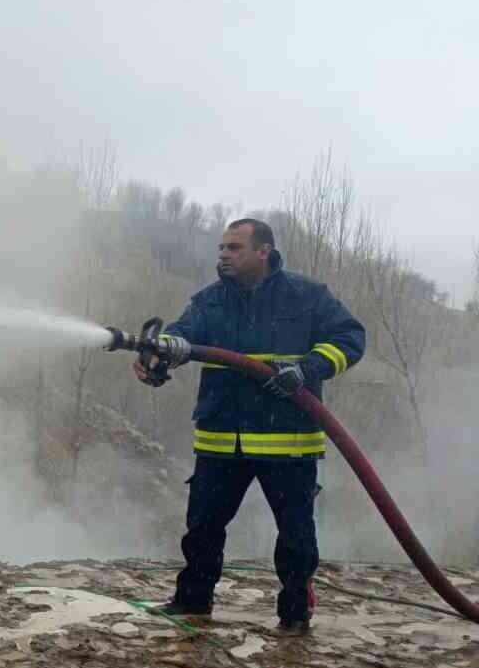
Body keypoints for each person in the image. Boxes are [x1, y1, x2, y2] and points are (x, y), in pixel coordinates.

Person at [135, 216, 366, 636]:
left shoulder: (307, 297)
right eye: (221, 248)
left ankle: (294, 615)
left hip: (287, 440)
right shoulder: (210, 300)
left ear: (264, 250)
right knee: (202, 528)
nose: (223, 254)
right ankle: (193, 601)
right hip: (221, 438)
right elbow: (184, 333)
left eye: (234, 247)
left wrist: (309, 368)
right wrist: (158, 355)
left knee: (295, 535)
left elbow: (350, 338)